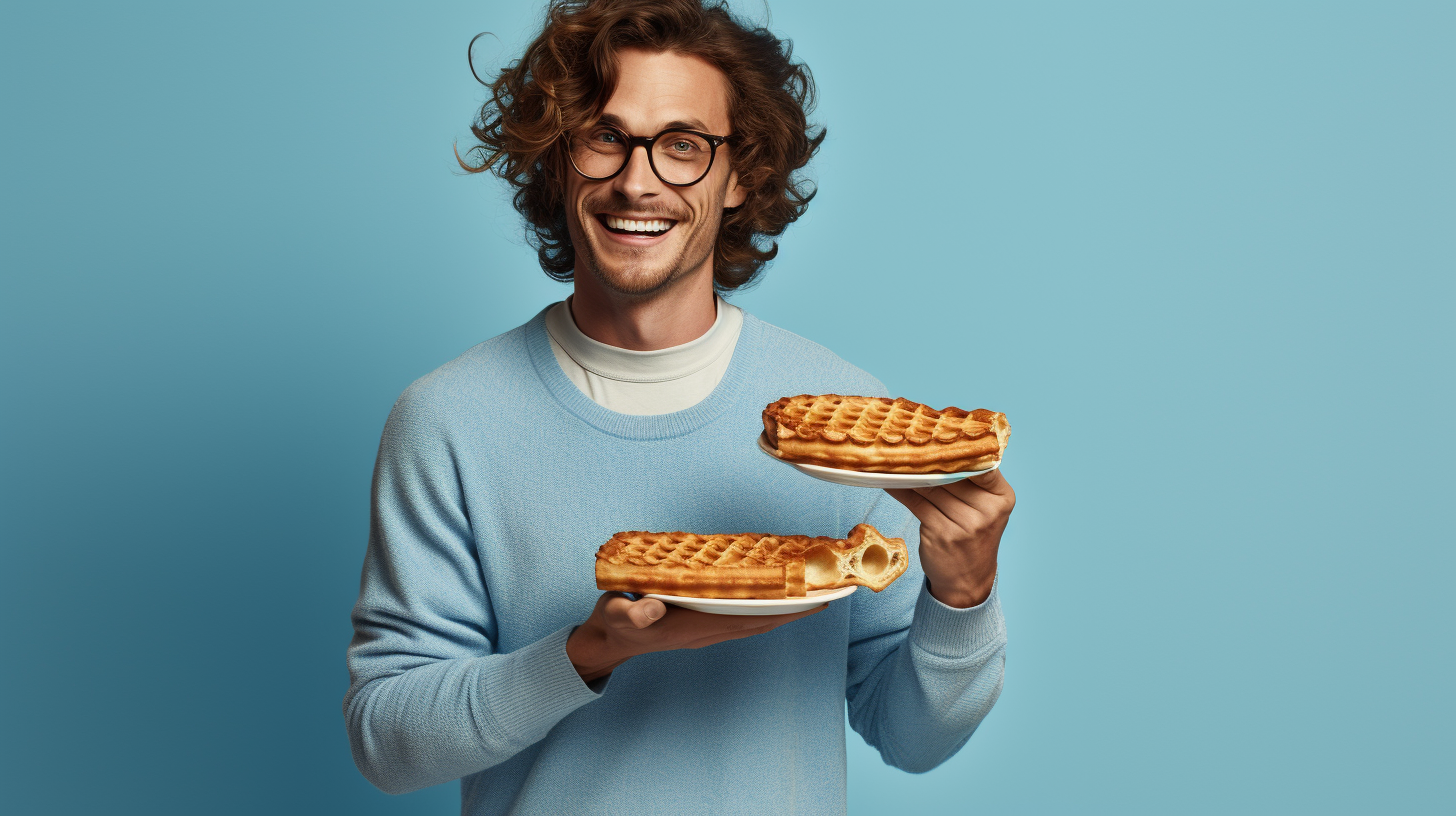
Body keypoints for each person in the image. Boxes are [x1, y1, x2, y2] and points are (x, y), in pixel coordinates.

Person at [344, 1, 1015, 812]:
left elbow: (913, 738)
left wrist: (964, 596)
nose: (638, 180)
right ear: (558, 161)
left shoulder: (846, 430)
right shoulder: (449, 420)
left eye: (683, 147)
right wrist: (587, 653)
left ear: (741, 175)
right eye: (604, 137)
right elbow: (386, 739)